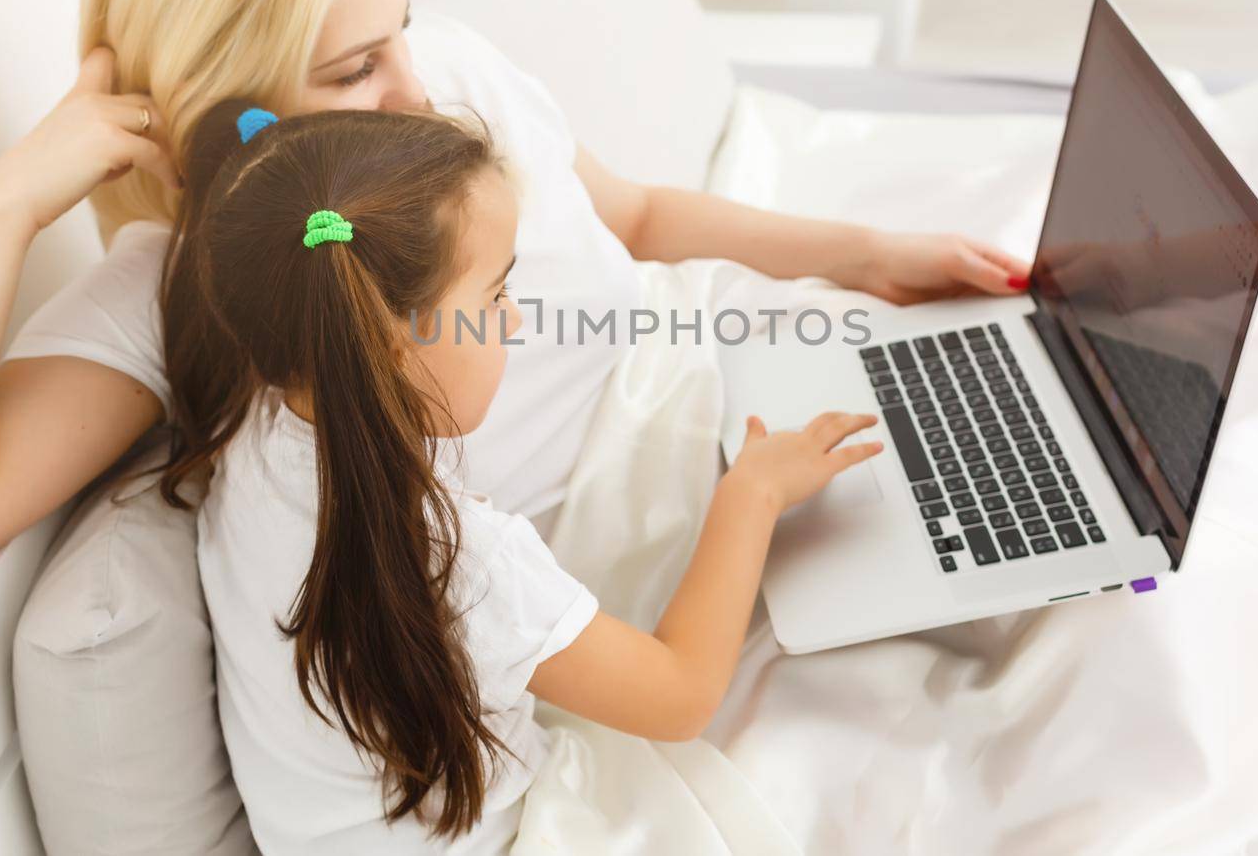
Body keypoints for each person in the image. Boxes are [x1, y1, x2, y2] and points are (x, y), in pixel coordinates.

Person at [0, 0, 1027, 591]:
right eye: (352, 69)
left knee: (1055, 406)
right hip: (685, 541)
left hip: (723, 396)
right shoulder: (183, 290)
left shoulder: (438, 69)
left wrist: (868, 255)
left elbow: (642, 220)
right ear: (223, 110)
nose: (417, 94)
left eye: (398, 28)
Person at [179, 99, 881, 851]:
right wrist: (754, 491)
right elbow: (681, 696)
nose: (512, 320)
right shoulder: (457, 563)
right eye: (494, 294)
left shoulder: (251, 428)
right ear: (386, 339)